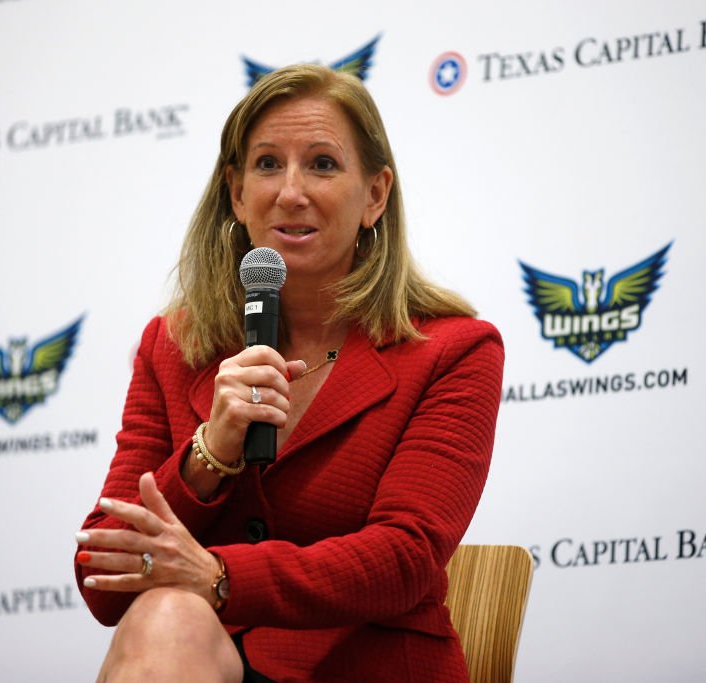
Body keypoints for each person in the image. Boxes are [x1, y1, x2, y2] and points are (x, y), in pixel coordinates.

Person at [75, 63, 505, 682]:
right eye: (268, 164)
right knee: (162, 616)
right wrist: (209, 452)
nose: (290, 192)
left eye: (323, 164)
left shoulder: (452, 350)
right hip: (203, 662)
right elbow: (105, 580)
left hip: (365, 669)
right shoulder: (174, 347)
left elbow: (406, 557)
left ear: (375, 195)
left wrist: (219, 580)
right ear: (235, 191)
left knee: (173, 609)